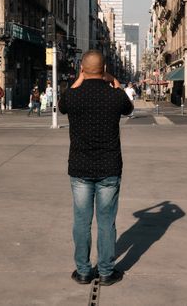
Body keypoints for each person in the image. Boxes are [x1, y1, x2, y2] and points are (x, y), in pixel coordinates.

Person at [58, 50, 133, 287]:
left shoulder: (73, 97)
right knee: (106, 221)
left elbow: (62, 104)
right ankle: (106, 271)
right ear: (104, 69)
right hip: (109, 167)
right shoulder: (115, 96)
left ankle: (82, 271)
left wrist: (81, 77)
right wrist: (113, 80)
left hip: (80, 168)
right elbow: (128, 108)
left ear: (81, 69)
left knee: (81, 221)